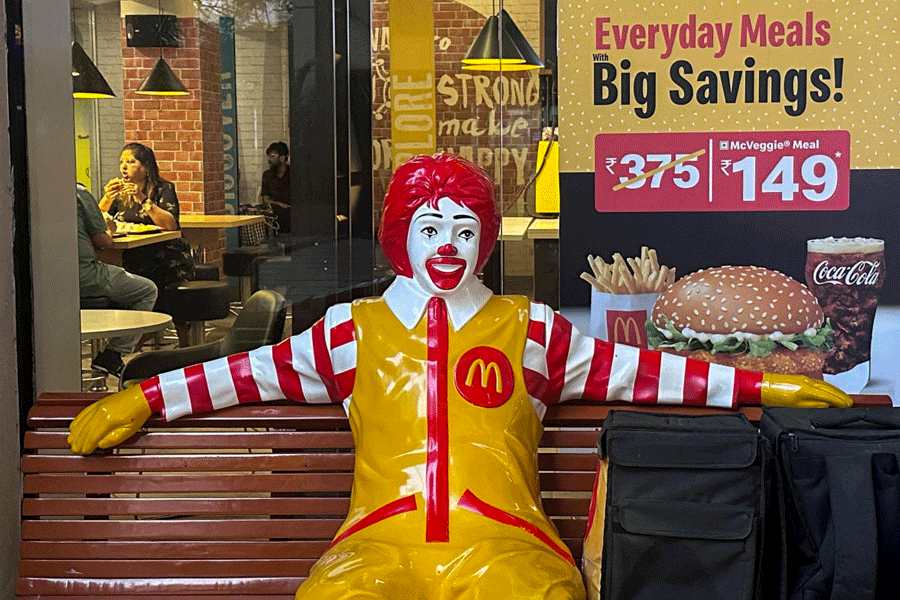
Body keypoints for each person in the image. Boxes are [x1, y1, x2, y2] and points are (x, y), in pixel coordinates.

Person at [68, 154, 851, 600]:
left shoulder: (531, 330)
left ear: (484, 244)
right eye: (429, 227)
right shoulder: (350, 333)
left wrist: (763, 386)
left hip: (507, 546)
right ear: (400, 237)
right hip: (376, 546)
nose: (447, 244)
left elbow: (644, 372)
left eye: (465, 230)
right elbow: (243, 373)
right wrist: (144, 394)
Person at [77, 183, 158, 376]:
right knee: (147, 290)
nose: (124, 167)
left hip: (49, 280)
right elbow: (103, 241)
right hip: (86, 276)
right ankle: (112, 355)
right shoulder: (79, 193)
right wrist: (110, 230)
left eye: (130, 161)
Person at [99, 142, 194, 290]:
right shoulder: (120, 191)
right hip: (130, 253)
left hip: (164, 255)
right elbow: (98, 220)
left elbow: (171, 225)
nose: (124, 167)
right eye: (122, 162)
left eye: (130, 162)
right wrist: (107, 198)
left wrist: (141, 198)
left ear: (146, 167)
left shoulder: (163, 188)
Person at [259, 141, 291, 234]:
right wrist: (278, 204)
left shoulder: (293, 173)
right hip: (274, 219)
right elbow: (265, 199)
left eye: (272, 156)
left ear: (282, 158)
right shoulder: (267, 175)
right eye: (269, 156)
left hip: (292, 218)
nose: (269, 160)